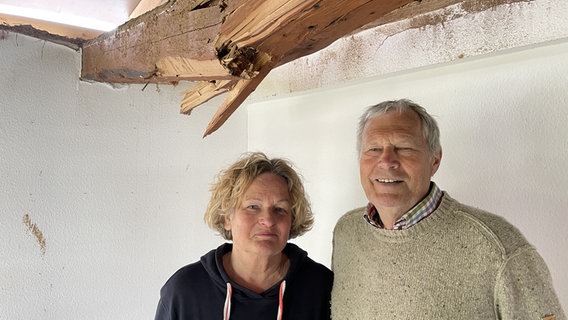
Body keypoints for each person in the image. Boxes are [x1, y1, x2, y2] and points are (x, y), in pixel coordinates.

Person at [331, 99, 565, 319]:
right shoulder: (347, 232)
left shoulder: (499, 246)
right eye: (373, 149)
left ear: (435, 160)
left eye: (403, 147)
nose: (386, 161)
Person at [155, 152, 333, 320]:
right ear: (227, 218)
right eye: (253, 207)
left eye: (280, 209)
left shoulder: (322, 288)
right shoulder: (185, 291)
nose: (268, 220)